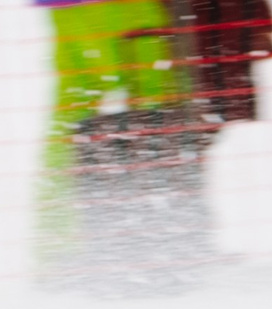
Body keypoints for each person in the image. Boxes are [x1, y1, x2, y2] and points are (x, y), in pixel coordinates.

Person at [32, 0, 268, 293]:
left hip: (64, 9)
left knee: (69, 118)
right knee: (158, 113)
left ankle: (58, 251)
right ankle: (166, 242)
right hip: (125, 8)